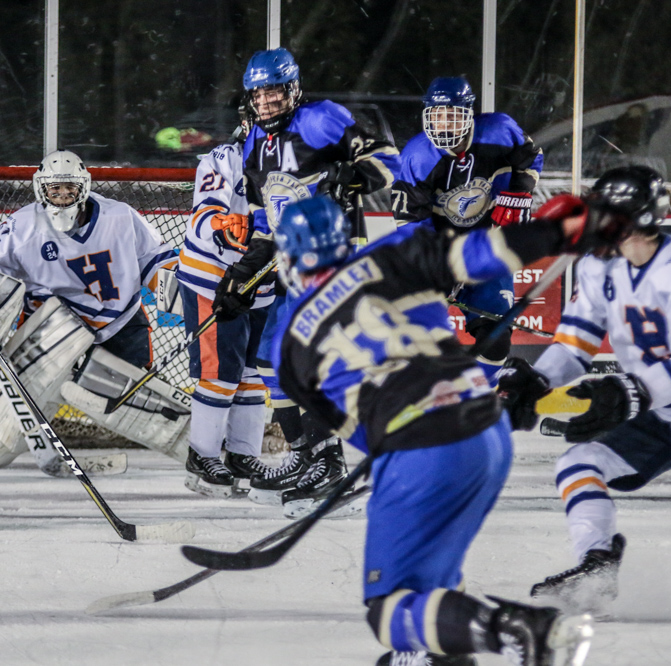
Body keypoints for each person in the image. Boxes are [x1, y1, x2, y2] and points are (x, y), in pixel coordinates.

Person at [271, 194, 613, 665]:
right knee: (432, 561)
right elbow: (482, 254)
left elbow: (356, 430)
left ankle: (521, 631)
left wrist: (392, 458)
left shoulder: (289, 350)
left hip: (417, 446)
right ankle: (438, 653)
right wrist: (557, 233)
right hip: (484, 428)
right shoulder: (393, 252)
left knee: (389, 610)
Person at [499, 165, 671, 613]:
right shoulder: (596, 269)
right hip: (666, 413)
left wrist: (627, 390)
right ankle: (598, 564)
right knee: (580, 463)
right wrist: (536, 379)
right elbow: (575, 341)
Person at [216, 47, 402, 515]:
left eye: (275, 91)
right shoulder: (252, 144)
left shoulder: (321, 119)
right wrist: (241, 275)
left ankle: (330, 463)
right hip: (292, 260)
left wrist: (353, 175)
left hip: (335, 255)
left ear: (293, 89)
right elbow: (266, 221)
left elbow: (389, 162)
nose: (267, 101)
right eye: (259, 94)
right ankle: (306, 455)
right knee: (267, 357)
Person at [0, 149, 182, 475]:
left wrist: (182, 296)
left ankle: (201, 451)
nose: (63, 195)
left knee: (135, 403)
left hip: (118, 320)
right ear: (41, 189)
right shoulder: (21, 225)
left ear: (84, 187)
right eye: (55, 189)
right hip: (51, 328)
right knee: (18, 412)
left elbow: (155, 261)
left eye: (70, 189)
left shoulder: (120, 216)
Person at [391, 76, 544, 385]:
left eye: (452, 115)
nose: (444, 124)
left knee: (497, 341)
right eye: (437, 115)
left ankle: (474, 399)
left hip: (489, 250)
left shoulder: (499, 130)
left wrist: (520, 191)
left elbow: (531, 158)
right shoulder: (416, 156)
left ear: (469, 114)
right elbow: (412, 223)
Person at [175, 113, 274, 498]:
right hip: (213, 278)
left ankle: (242, 455)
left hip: (261, 279)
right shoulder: (222, 159)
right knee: (221, 372)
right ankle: (201, 455)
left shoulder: (290, 162)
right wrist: (223, 224)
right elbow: (203, 217)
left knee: (252, 371)